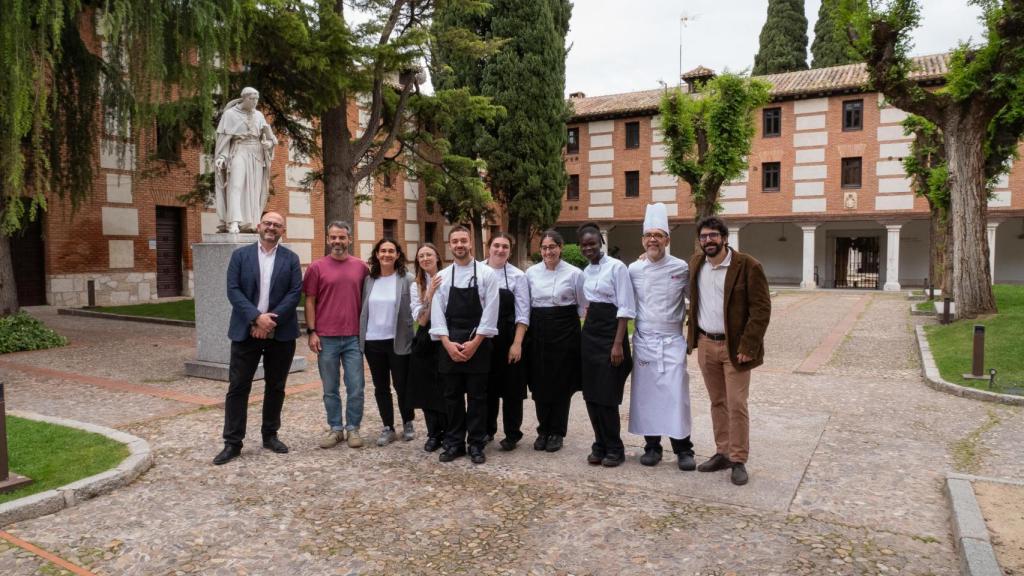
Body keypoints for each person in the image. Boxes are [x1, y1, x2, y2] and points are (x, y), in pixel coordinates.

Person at [687, 216, 771, 486]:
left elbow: (761, 310)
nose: (708, 241)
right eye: (703, 237)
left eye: (713, 236)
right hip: (706, 344)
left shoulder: (747, 265)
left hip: (735, 348)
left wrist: (749, 345)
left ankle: (738, 459)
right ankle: (722, 452)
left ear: (724, 238)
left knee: (736, 404)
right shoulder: (696, 264)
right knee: (717, 402)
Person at [213, 211, 302, 465]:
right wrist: (255, 318)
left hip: (280, 333)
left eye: (277, 225)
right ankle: (232, 442)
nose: (271, 227)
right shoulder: (240, 256)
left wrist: (268, 322)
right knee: (238, 387)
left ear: (282, 230)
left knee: (276, 386)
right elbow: (233, 290)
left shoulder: (291, 259)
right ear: (259, 226)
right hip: (246, 331)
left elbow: (295, 293)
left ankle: (270, 434)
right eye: (267, 223)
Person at [627, 203, 696, 471]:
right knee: (647, 396)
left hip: (672, 340)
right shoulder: (634, 269)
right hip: (644, 340)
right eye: (648, 235)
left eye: (658, 235)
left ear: (667, 239)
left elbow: (695, 299)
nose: (653, 239)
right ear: (643, 240)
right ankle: (652, 447)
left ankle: (683, 449)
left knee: (677, 394)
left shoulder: (680, 267)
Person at [430, 226, 500, 464]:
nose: (459, 245)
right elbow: (437, 313)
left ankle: (477, 444)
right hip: (449, 341)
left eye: (463, 241)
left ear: (471, 243)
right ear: (449, 245)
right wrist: (448, 344)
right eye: (455, 241)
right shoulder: (442, 275)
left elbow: (491, 311)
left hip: (477, 343)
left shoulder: (487, 274)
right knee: (452, 397)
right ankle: (454, 443)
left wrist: (475, 343)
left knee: (478, 398)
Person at [304, 221, 370, 450]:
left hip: (353, 337)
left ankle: (353, 428)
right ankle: (335, 428)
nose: (337, 242)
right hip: (326, 337)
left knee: (356, 387)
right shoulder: (316, 267)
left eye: (341, 237)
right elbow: (310, 301)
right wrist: (312, 331)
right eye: (333, 237)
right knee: (330, 388)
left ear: (349, 239)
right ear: (327, 239)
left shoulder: (362, 267)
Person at [578, 223, 635, 467]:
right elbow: (586, 306)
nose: (589, 248)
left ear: (601, 242)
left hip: (612, 334)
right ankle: (598, 443)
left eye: (592, 243)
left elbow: (625, 308)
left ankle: (614, 447)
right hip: (590, 334)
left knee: (607, 395)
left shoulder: (617, 268)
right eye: (584, 245)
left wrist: (618, 344)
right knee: (591, 394)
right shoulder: (585, 272)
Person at [524, 230, 585, 453]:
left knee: (561, 383)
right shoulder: (530, 273)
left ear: (560, 247)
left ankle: (557, 432)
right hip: (538, 327)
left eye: (552, 247)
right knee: (539, 382)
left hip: (565, 330)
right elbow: (526, 303)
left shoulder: (575, 273)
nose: (548, 251)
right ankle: (543, 430)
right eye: (544, 248)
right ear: (540, 250)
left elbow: (582, 306)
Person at [359, 238, 416, 446]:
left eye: (391, 251)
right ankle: (388, 426)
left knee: (402, 385)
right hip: (373, 341)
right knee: (380, 386)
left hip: (398, 340)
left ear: (398, 255)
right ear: (377, 254)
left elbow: (415, 307)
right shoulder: (369, 280)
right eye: (383, 251)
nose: (387, 255)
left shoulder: (407, 279)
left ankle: (408, 421)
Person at [482, 233, 530, 451]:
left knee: (511, 390)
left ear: (510, 251)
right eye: (496, 245)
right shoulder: (477, 270)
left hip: (509, 336)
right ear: (488, 247)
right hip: (483, 337)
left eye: (505, 247)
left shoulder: (518, 276)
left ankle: (512, 433)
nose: (500, 250)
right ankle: (486, 430)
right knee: (486, 388)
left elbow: (523, 313)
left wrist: (517, 343)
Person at [214, 87, 278, 234]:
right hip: (239, 150)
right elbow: (224, 140)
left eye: (257, 99)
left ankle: (251, 223)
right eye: (252, 99)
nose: (255, 102)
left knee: (254, 190)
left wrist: (268, 145)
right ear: (244, 98)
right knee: (235, 185)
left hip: (256, 153)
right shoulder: (230, 115)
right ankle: (233, 222)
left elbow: (268, 138)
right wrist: (222, 157)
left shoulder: (259, 115)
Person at [409, 243, 446, 452]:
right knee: (426, 388)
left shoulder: (449, 276)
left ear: (437, 257)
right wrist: (430, 295)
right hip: (425, 338)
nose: (425, 259)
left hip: (446, 336)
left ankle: (450, 431)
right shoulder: (416, 285)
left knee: (446, 386)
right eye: (421, 256)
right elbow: (421, 321)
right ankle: (433, 433)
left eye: (428, 254)